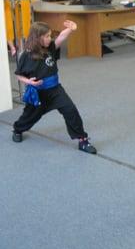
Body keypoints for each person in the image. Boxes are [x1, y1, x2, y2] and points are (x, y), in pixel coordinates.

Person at [11, 21, 97, 154]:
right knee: (30, 116)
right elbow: (19, 75)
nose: (49, 39)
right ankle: (17, 129)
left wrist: (71, 29)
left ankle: (82, 140)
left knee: (71, 110)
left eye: (50, 35)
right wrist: (29, 82)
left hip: (55, 90)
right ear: (37, 37)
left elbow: (61, 37)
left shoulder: (50, 47)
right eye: (46, 36)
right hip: (39, 93)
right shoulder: (27, 55)